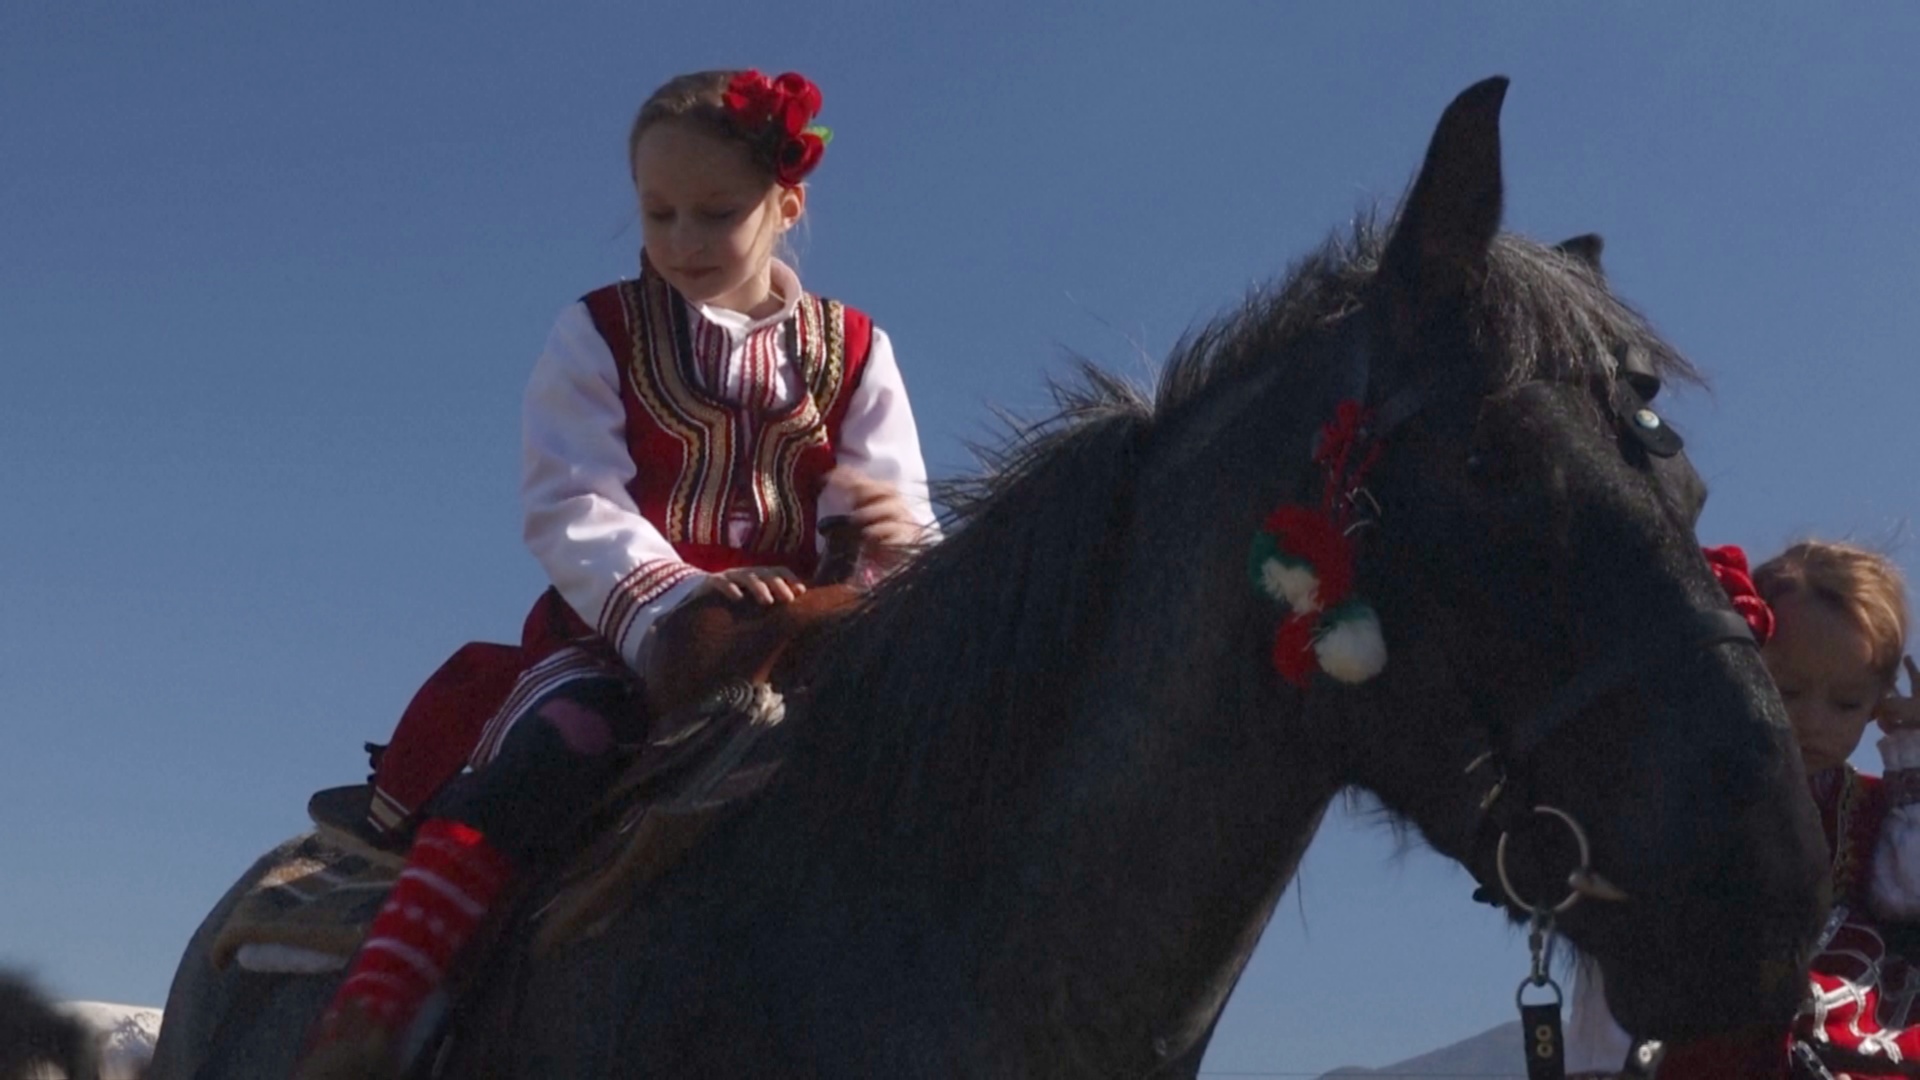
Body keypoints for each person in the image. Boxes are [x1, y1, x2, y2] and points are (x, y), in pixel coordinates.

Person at [298, 68, 937, 1070]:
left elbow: (885, 509)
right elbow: (571, 501)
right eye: (657, 212)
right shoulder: (598, 333)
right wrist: (681, 600)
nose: (681, 239)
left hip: (807, 644)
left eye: (715, 212)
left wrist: (891, 549)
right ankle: (379, 1003)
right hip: (623, 635)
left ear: (788, 203)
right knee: (560, 747)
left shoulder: (856, 352)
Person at [1566, 540, 1917, 1079]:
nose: (1813, 720)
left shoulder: (1875, 810)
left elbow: (1908, 888)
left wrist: (1911, 751)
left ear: (1879, 703)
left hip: (1849, 1044)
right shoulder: (1687, 797)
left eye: (1846, 702)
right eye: (1788, 689)